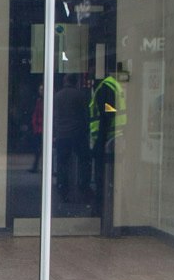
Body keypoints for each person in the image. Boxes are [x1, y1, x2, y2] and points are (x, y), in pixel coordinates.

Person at [88, 65, 126, 229]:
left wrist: (100, 143)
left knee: (103, 177)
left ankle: (102, 211)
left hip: (108, 139)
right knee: (113, 178)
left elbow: (106, 115)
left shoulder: (105, 88)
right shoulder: (115, 86)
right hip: (116, 137)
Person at [52, 73, 92, 203]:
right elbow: (86, 115)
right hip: (78, 134)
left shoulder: (57, 96)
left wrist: (56, 133)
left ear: (65, 81)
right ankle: (83, 186)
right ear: (76, 82)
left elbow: (55, 117)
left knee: (62, 163)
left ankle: (62, 188)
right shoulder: (81, 96)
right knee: (84, 161)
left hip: (62, 135)